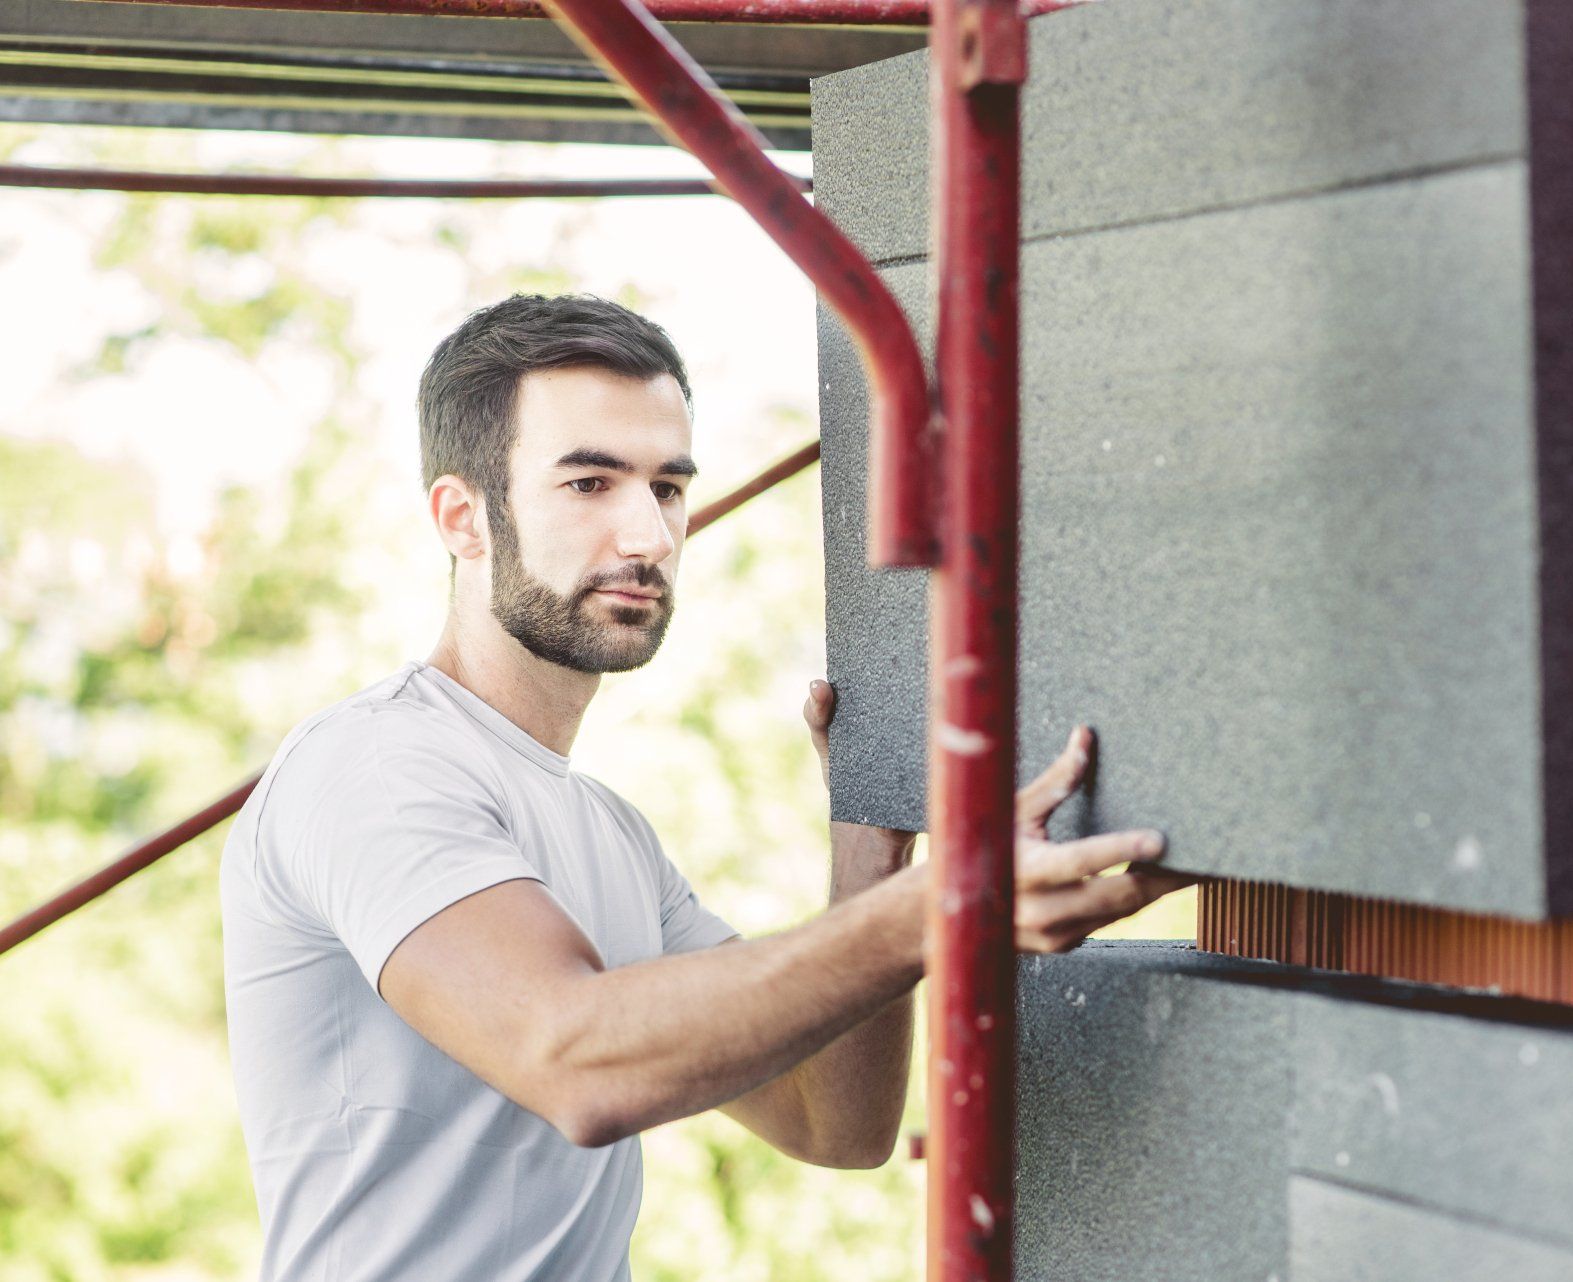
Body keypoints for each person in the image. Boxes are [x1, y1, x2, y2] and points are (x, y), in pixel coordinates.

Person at [219, 293, 1187, 1280]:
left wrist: (871, 841)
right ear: (463, 519)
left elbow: (834, 1120)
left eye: (668, 487)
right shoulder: (372, 767)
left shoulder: (611, 833)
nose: (649, 536)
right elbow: (574, 1062)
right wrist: (942, 906)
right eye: (590, 483)